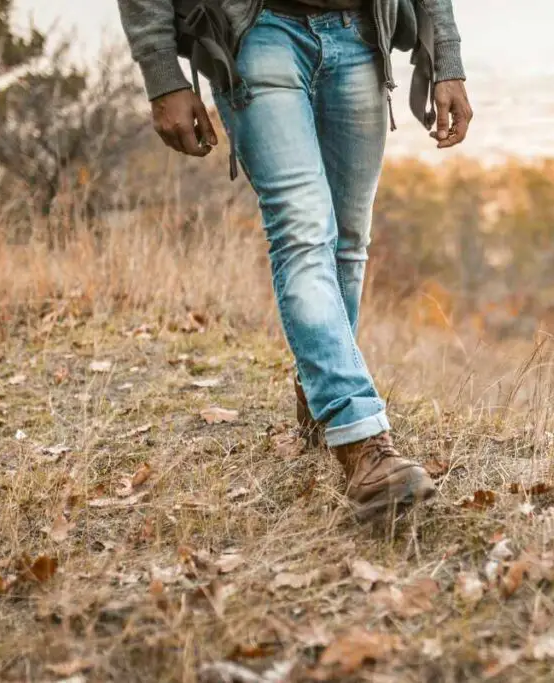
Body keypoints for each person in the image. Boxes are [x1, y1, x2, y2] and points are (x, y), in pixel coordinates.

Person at [117, 0, 473, 519]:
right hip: (259, 33)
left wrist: (448, 60)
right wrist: (162, 74)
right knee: (303, 232)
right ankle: (362, 442)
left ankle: (320, 386)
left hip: (361, 37)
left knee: (347, 243)